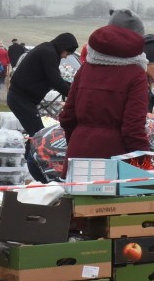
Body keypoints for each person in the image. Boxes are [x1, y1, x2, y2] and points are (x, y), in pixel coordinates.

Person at [59, 25, 149, 176]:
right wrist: (144, 165)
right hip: (115, 158)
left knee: (74, 199)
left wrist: (76, 142)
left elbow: (67, 116)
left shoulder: (85, 69)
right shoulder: (136, 75)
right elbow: (133, 128)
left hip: (78, 153)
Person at [7, 33, 79, 141]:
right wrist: (75, 95)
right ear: (63, 47)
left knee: (36, 134)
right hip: (21, 98)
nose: (65, 56)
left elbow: (55, 79)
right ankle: (33, 157)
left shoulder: (48, 50)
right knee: (38, 136)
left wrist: (75, 88)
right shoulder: (49, 53)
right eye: (67, 53)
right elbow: (55, 81)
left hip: (23, 98)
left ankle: (29, 156)